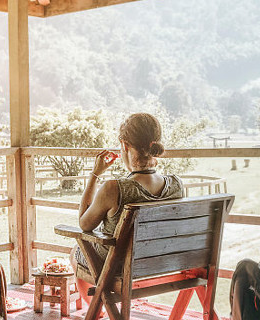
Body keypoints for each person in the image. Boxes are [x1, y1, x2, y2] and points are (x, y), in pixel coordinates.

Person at [71, 112, 184, 304]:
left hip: (119, 266)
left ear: (124, 145)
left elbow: (85, 224)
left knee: (76, 251)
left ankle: (96, 311)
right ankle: (98, 310)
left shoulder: (114, 188)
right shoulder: (176, 184)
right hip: (161, 262)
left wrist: (94, 174)